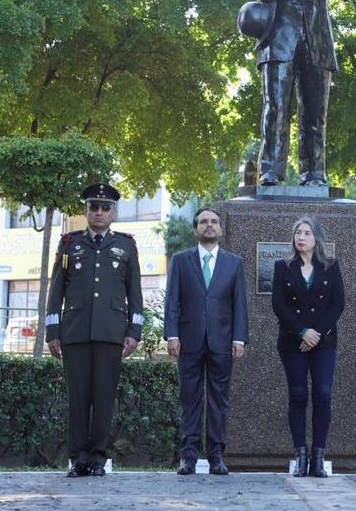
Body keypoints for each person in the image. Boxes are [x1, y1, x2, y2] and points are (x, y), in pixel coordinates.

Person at [247, 0, 344, 187]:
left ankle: (314, 173)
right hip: (278, 39)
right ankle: (271, 170)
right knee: (274, 108)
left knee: (315, 112)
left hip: (317, 40)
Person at [45, 182, 143, 477]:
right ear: (86, 211)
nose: (99, 212)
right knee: (77, 399)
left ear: (113, 213)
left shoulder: (126, 245)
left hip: (111, 334)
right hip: (74, 333)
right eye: (94, 207)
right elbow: (56, 291)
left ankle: (99, 458)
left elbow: (134, 292)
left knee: (103, 399)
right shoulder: (69, 243)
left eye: (105, 208)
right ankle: (78, 459)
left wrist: (134, 331)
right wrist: (53, 332)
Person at [164, 207, 249, 475]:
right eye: (203, 222)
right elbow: (172, 301)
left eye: (214, 222)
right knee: (189, 400)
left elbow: (240, 305)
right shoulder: (180, 261)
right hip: (187, 341)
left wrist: (239, 339)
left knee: (218, 401)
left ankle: (216, 456)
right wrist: (173, 334)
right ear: (196, 229)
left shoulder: (234, 263)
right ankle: (188, 457)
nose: (209, 226)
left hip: (222, 342)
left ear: (221, 229)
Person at [271, 216, 346, 477]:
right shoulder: (283, 266)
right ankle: (300, 455)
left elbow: (338, 304)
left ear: (317, 239)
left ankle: (318, 457)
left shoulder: (331, 266)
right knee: (299, 395)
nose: (301, 237)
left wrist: (316, 333)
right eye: (297, 233)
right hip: (293, 342)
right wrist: (303, 332)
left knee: (323, 394)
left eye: (307, 233)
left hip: (324, 342)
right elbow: (278, 305)